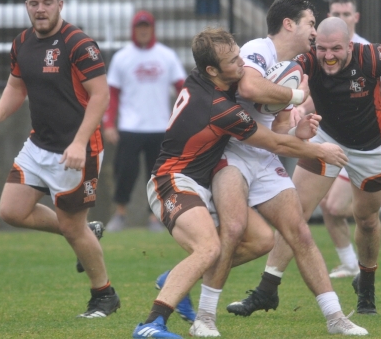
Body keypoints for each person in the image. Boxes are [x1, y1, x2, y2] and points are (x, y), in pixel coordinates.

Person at [132, 27, 352, 338]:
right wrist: (319, 147)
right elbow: (275, 144)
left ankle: (176, 279)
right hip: (172, 181)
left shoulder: (203, 78)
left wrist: (290, 118)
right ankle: (150, 324)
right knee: (208, 248)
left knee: (262, 240)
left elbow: (268, 114)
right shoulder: (219, 108)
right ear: (212, 70)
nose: (241, 64)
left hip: (197, 183)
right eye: (233, 61)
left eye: (239, 55)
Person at [227, 16, 381, 317]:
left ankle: (366, 289)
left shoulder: (371, 56)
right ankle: (267, 290)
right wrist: (289, 106)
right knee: (295, 211)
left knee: (367, 219)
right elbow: (284, 80)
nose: (328, 56)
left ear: (350, 45)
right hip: (326, 138)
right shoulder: (307, 60)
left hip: (371, 147)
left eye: (336, 49)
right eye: (322, 49)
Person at [187, 0, 368, 337]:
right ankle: (204, 318)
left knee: (299, 232)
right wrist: (299, 100)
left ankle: (335, 318)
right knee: (235, 229)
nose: (315, 31)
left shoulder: (296, 65)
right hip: (232, 155)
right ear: (289, 24)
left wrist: (299, 130)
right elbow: (251, 86)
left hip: (265, 158)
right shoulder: (259, 49)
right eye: (311, 23)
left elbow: (279, 129)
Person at [0, 0, 120, 318]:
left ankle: (104, 295)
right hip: (39, 145)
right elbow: (16, 87)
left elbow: (101, 96)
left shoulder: (79, 43)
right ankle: (89, 232)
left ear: (60, 5)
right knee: (11, 210)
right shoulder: (21, 43)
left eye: (47, 3)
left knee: (72, 228)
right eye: (34, 3)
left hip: (78, 150)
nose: (40, 10)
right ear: (27, 6)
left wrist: (80, 143)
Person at [300, 0, 381, 279]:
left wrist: (372, 117)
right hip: (333, 137)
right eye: (337, 12)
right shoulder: (325, 49)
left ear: (356, 18)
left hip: (362, 143)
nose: (342, 16)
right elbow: (321, 96)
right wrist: (299, 109)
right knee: (329, 206)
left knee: (339, 207)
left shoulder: (364, 51)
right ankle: (352, 260)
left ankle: (361, 258)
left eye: (347, 13)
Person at [102, 10, 187, 233]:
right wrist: (109, 124)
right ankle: (120, 214)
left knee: (157, 176)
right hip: (130, 128)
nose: (143, 31)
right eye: (139, 27)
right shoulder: (122, 57)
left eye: (146, 26)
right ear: (133, 29)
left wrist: (184, 119)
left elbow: (182, 89)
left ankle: (155, 217)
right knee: (125, 173)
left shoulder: (166, 56)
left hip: (160, 126)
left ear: (152, 29)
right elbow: (112, 95)